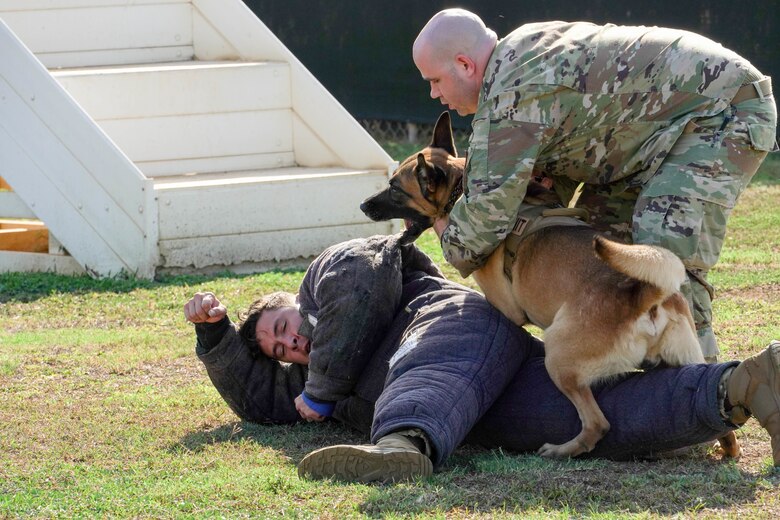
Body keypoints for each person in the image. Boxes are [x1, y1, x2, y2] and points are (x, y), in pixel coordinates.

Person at [186, 235, 780, 483]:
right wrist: (216, 339)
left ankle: (401, 447)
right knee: (592, 421)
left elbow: (359, 288)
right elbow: (260, 402)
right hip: (471, 409)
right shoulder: (313, 379)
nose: (292, 344)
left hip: (461, 328)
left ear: (297, 302)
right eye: (280, 351)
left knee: (425, 365)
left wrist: (319, 390)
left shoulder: (330, 275)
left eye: (285, 328)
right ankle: (744, 384)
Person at [412, 9, 779, 362]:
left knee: (662, 265)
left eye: (435, 81)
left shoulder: (509, 93)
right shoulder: (517, 60)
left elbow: (486, 215)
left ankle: (705, 393)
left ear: (465, 65)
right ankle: (635, 380)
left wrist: (445, 231)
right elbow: (577, 136)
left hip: (720, 113)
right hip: (650, 138)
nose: (432, 94)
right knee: (602, 264)